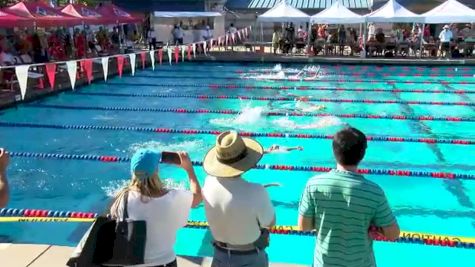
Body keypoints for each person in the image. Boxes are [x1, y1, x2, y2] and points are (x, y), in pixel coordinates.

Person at [298, 127, 400, 267]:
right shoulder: (374, 192)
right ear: (363, 154)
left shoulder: (313, 185)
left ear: (334, 151)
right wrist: (375, 228)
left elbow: (304, 226)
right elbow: (393, 234)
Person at [109, 149, 202, 267]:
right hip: (165, 263)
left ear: (133, 172)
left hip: (132, 263)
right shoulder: (172, 198)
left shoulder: (123, 198)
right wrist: (189, 170)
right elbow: (198, 198)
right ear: (156, 171)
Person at [202, 131, 275, 267]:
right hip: (251, 257)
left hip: (220, 256)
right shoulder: (256, 191)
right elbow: (269, 222)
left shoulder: (208, 183)